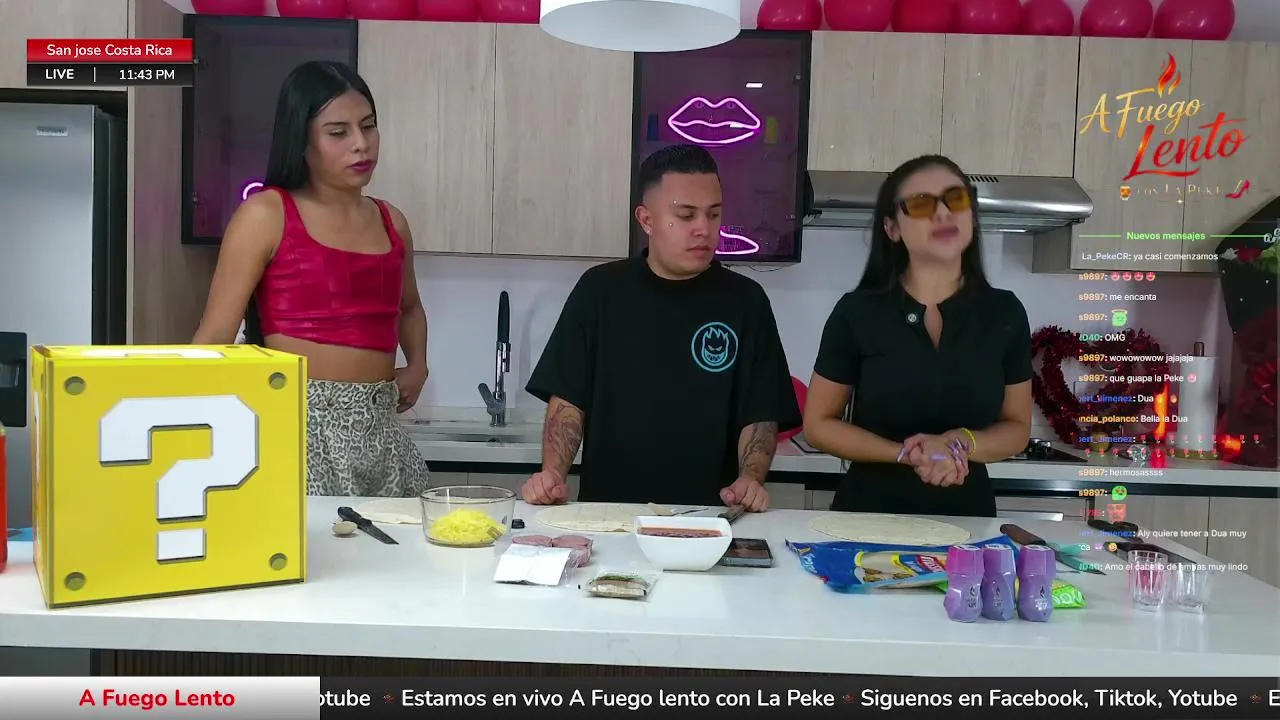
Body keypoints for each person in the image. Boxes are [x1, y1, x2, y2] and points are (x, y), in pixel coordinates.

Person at [192, 61, 431, 498]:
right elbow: (215, 336)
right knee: (313, 544)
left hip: (381, 433)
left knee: (394, 542)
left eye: (369, 126)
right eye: (338, 132)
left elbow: (409, 307)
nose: (361, 144)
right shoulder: (266, 215)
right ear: (301, 142)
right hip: (296, 429)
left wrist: (418, 364)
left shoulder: (392, 221)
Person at [520, 144, 801, 510]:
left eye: (713, 214)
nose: (704, 229)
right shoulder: (600, 291)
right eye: (686, 215)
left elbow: (760, 411)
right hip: (610, 515)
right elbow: (568, 399)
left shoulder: (746, 302)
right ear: (647, 219)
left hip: (711, 516)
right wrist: (552, 474)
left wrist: (750, 478)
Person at [802, 155, 1032, 518]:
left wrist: (959, 443)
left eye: (955, 198)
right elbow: (818, 425)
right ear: (892, 228)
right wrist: (905, 454)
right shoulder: (857, 312)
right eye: (922, 204)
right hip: (867, 517)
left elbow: (1017, 428)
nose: (943, 213)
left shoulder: (1005, 313)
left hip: (968, 522)